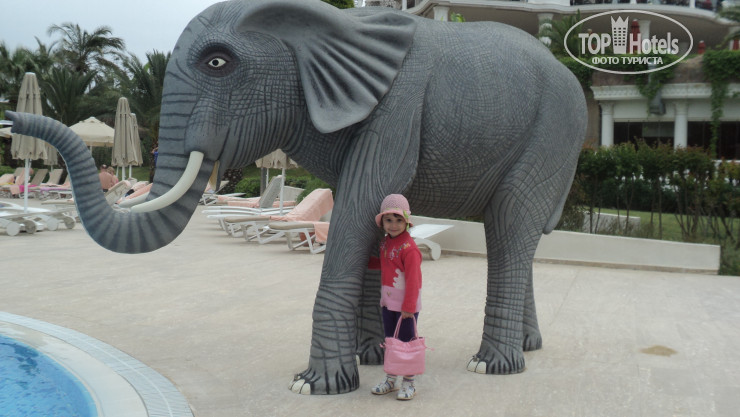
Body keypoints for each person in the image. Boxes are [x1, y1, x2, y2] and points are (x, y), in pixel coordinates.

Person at [368, 194, 423, 401]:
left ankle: (409, 382)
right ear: (382, 222)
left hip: (406, 307)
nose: (393, 225)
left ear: (407, 221)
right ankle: (391, 379)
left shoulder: (410, 249)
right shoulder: (385, 243)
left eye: (399, 220)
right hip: (388, 303)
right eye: (389, 220)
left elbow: (414, 280)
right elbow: (386, 264)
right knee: (391, 342)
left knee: (406, 343)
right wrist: (364, 261)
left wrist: (409, 306)